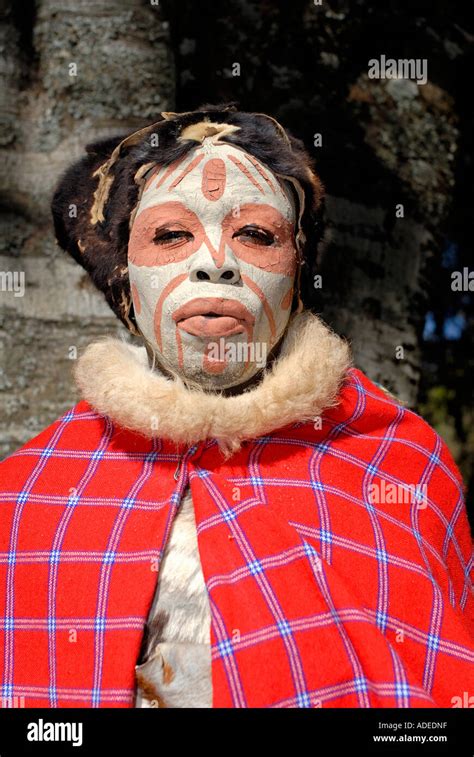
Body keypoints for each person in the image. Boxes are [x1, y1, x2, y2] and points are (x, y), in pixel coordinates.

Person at [0, 104, 472, 709]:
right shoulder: (30, 496)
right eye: (172, 234)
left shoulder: (398, 466)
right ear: (125, 278)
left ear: (298, 269)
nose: (215, 261)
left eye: (256, 234)